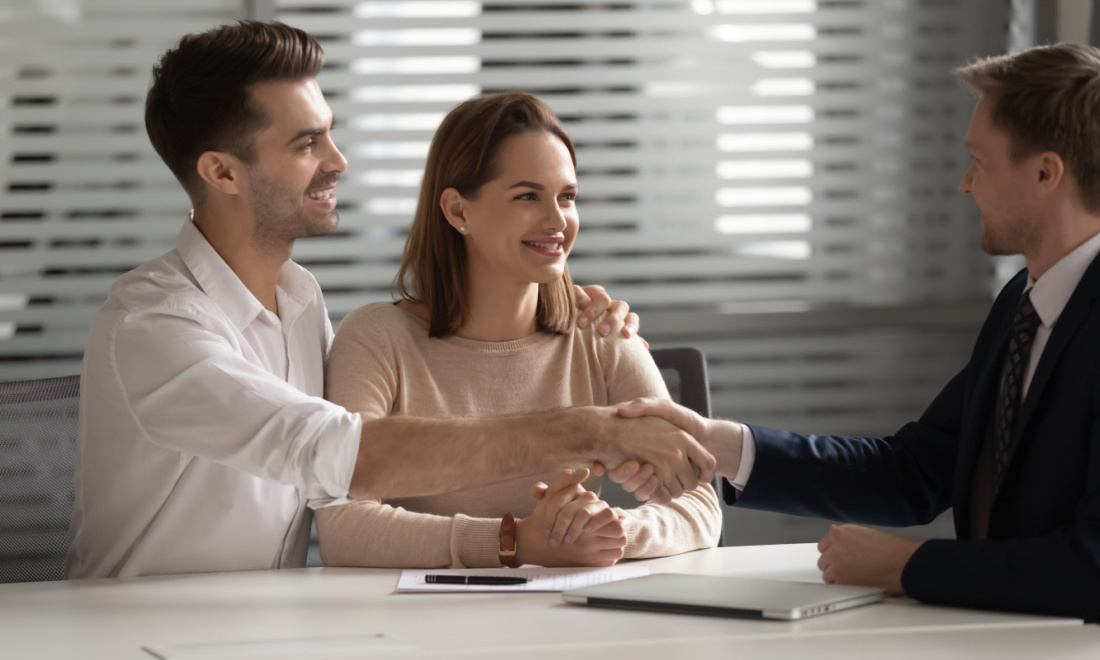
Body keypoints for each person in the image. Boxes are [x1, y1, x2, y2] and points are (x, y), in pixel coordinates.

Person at [65, 21, 716, 579]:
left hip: (272, 621)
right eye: (306, 143)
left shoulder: (299, 303)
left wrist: (557, 295)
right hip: (141, 629)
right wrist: (581, 434)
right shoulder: (156, 326)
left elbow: (698, 497)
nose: (338, 160)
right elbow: (348, 460)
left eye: (329, 132)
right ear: (222, 173)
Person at [615, 43, 1100, 622]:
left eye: (981, 161)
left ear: (1046, 172)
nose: (965, 184)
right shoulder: (1025, 303)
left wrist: (905, 567)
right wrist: (719, 444)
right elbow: (915, 472)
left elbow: (1090, 568)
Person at [314, 93, 722, 569]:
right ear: (458, 211)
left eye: (567, 197)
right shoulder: (376, 339)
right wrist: (515, 541)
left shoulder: (601, 331)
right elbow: (343, 527)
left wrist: (609, 532)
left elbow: (698, 503)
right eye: (527, 196)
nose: (558, 221)